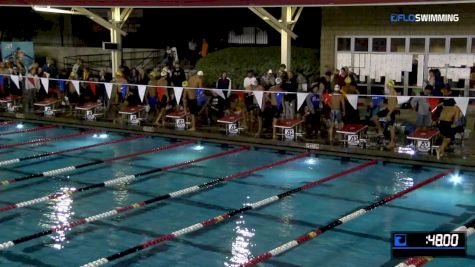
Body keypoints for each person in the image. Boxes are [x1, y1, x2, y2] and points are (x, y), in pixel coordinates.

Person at [375, 80, 399, 150]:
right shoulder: (390, 92)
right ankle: (380, 131)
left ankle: (392, 143)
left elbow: (394, 106)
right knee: (374, 117)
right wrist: (383, 105)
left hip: (391, 111)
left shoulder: (394, 93)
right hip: (387, 110)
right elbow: (390, 104)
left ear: (390, 85)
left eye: (387, 85)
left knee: (391, 127)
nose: (387, 86)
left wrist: (389, 114)